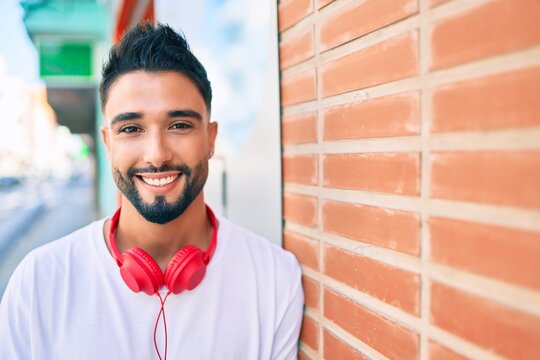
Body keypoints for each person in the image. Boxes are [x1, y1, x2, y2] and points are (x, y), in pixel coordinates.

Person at [0, 23, 303, 360]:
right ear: (108, 144)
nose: (157, 154)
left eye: (180, 125)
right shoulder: (40, 281)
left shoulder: (275, 278)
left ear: (211, 138)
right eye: (131, 128)